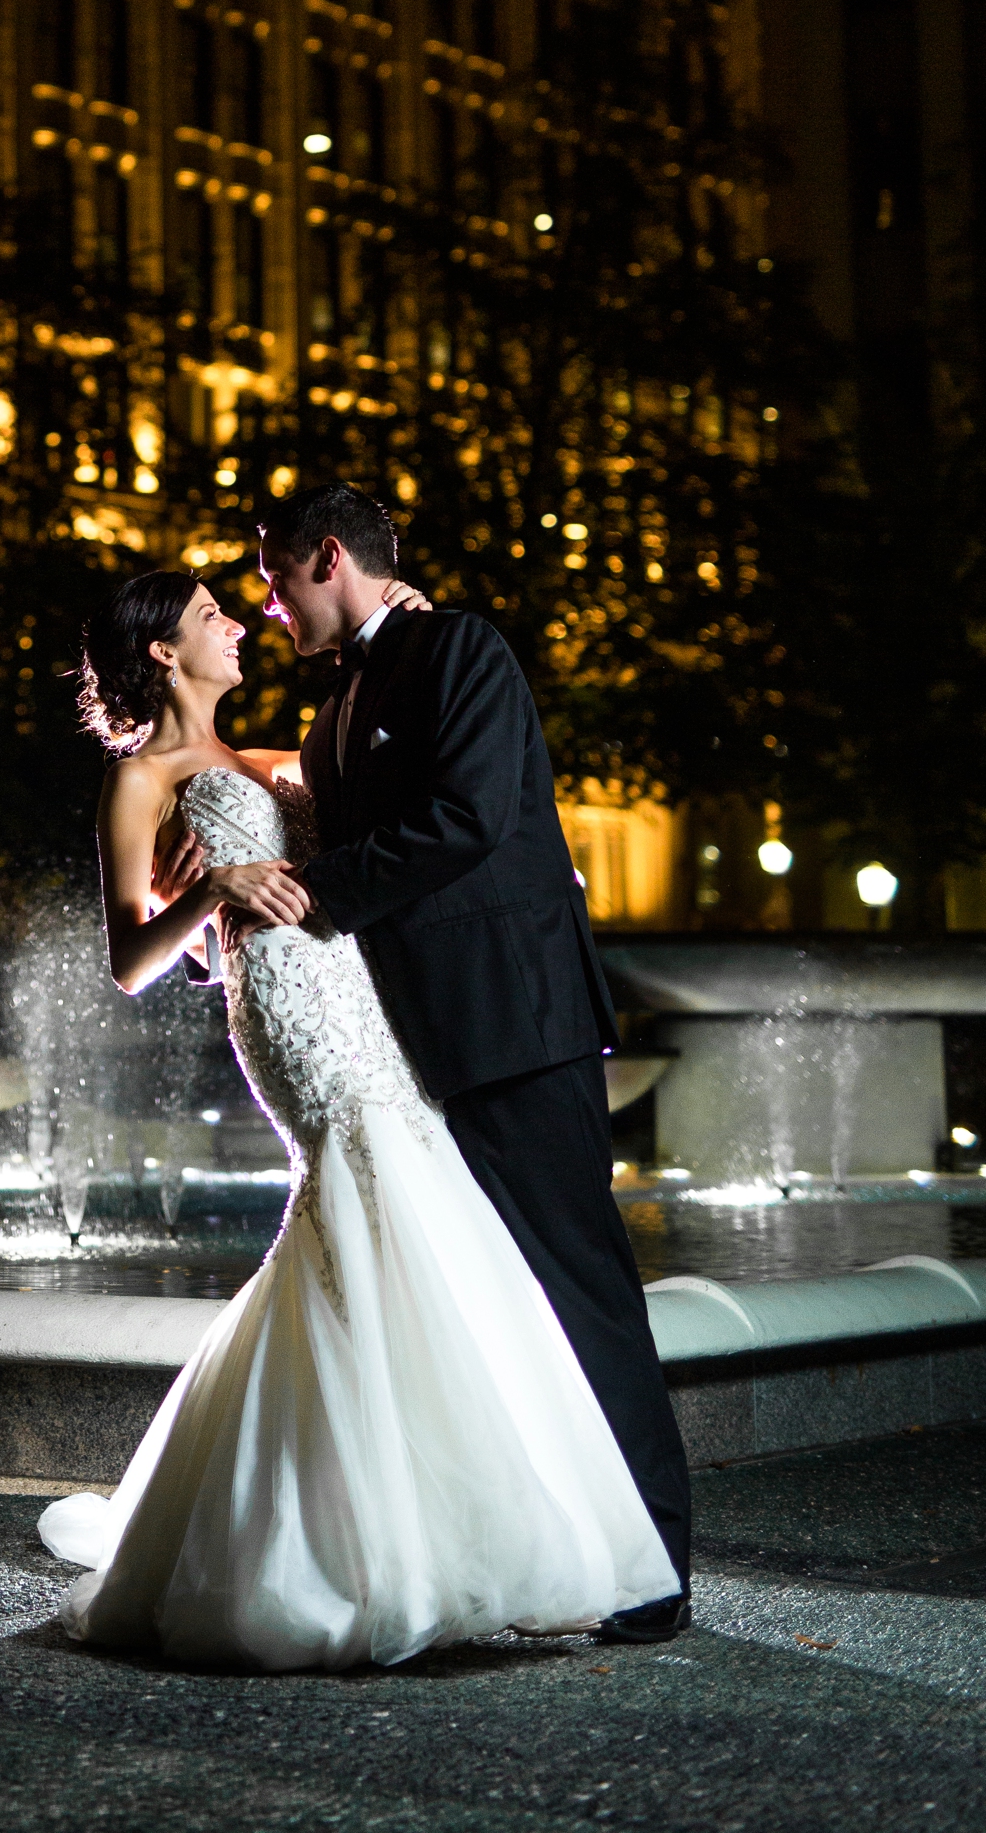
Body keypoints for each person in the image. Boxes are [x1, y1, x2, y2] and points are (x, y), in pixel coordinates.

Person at [36, 522, 681, 1671]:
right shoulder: (138, 781)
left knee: (400, 1227)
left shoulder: (286, 756)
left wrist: (408, 628)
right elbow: (133, 961)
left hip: (373, 1010)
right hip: (291, 1020)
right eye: (210, 617)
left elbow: (404, 806)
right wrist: (213, 898)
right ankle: (377, 1538)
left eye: (244, 602)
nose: (239, 621)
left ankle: (407, 1519)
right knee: (364, 1196)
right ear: (164, 657)